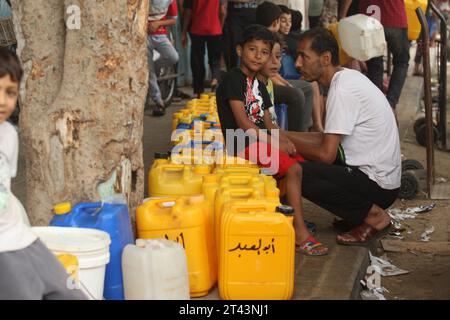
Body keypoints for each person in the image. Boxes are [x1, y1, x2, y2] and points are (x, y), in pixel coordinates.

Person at [216, 25, 328, 256]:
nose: (259, 56)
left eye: (264, 52)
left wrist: (284, 140)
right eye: (252, 50)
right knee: (294, 168)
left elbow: (270, 123)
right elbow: (245, 124)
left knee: (299, 163)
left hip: (258, 142)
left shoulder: (259, 83)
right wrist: (276, 143)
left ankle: (287, 217)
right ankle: (300, 232)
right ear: (239, 51)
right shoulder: (232, 79)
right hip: (240, 142)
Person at [286, 28, 401, 246]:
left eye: (304, 56)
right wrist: (279, 134)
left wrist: (285, 143)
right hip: (381, 179)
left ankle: (373, 217)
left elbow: (326, 154)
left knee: (297, 172)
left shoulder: (343, 89)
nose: (298, 64)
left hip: (378, 185)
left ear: (326, 58)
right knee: (304, 160)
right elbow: (324, 139)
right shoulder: (345, 80)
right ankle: (358, 211)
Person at [0, 48, 87, 300]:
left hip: (23, 239)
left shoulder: (8, 135)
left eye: (11, 92)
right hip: (3, 251)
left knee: (69, 293)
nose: (4, 101)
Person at [350, 0, 410, 111]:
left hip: (369, 18)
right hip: (394, 17)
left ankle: (377, 107)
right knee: (401, 61)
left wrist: (342, 15)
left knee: (374, 65)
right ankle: (390, 105)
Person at [181, 0, 227, 96]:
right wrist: (220, 27)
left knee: (197, 61)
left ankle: (199, 90)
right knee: (215, 59)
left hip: (197, 29)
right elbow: (223, 11)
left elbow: (188, 12)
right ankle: (214, 79)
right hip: (215, 29)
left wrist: (184, 31)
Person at [146, 0, 179, 116]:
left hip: (160, 35)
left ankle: (155, 67)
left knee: (174, 57)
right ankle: (159, 102)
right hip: (143, 36)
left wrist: (159, 23)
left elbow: (174, 20)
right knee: (150, 73)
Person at [222, 0, 263, 70]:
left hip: (253, 18)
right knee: (233, 49)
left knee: (253, 47)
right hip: (234, 20)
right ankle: (233, 73)